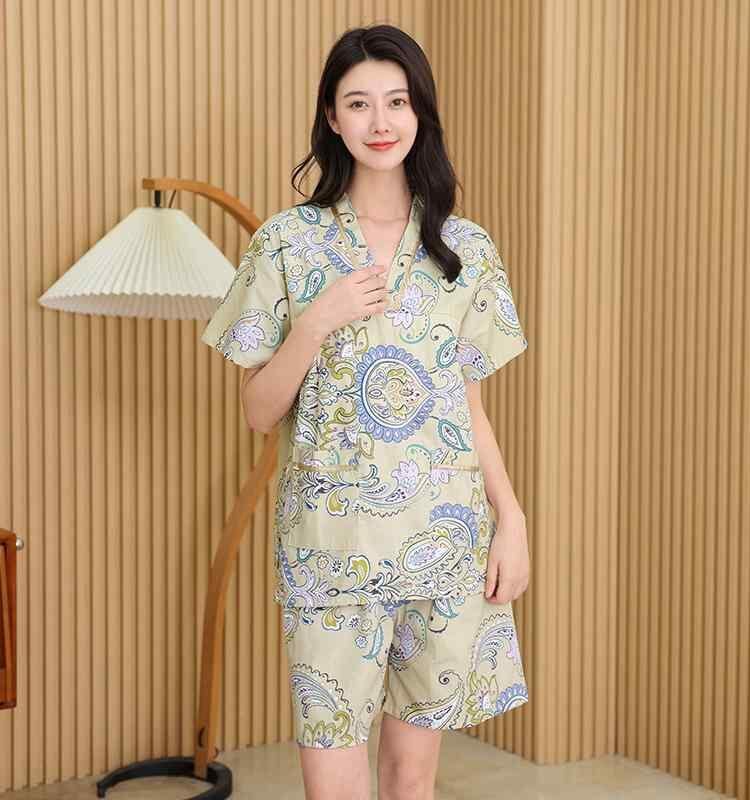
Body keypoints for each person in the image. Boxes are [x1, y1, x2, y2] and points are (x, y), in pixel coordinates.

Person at [200, 23, 530, 800]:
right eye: (358, 103)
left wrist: (511, 518)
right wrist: (315, 322)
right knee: (334, 782)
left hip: (444, 544)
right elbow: (258, 411)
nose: (380, 122)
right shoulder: (287, 244)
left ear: (420, 113)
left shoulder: (465, 249)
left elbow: (468, 408)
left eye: (396, 101)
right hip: (332, 552)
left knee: (412, 779)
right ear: (332, 116)